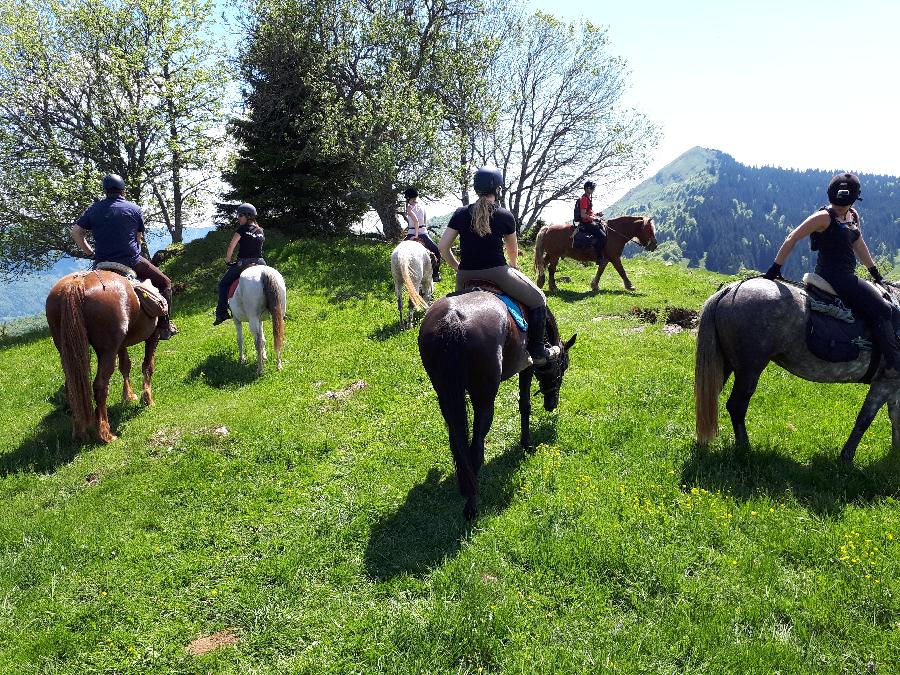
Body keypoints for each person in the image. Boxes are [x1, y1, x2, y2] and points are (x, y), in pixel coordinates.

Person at [764, 172, 900, 377]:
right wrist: (774, 270)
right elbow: (793, 237)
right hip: (835, 277)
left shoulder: (852, 215)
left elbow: (859, 244)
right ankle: (894, 362)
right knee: (883, 308)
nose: (841, 206)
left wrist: (875, 273)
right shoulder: (823, 217)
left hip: (847, 274)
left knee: (879, 301)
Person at [438, 166, 555, 365]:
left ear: (476, 188)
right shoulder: (505, 216)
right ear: (498, 189)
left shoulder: (460, 213)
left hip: (465, 276)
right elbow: (511, 251)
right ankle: (536, 350)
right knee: (539, 299)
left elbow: (442, 247)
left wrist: (458, 267)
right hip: (498, 273)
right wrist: (513, 266)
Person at [71, 174, 177, 339]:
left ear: (105, 191)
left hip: (102, 263)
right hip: (130, 261)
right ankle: (164, 326)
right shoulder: (134, 209)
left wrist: (90, 253)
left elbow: (76, 232)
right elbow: (138, 237)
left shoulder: (93, 209)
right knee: (165, 283)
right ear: (123, 190)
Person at [213, 203, 266, 325]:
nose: (238, 218)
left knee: (223, 284)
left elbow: (232, 245)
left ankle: (221, 313)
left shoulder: (242, 229)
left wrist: (228, 259)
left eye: (240, 215)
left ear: (248, 216)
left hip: (244, 262)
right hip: (260, 261)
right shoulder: (260, 230)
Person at [404, 187, 441, 282]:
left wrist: (416, 235)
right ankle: (436, 274)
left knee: (400, 252)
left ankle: (401, 274)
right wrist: (424, 233)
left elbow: (415, 221)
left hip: (413, 233)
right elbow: (424, 221)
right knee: (436, 251)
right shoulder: (422, 206)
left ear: (408, 197)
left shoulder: (409, 207)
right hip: (424, 233)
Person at [574, 180, 606, 263]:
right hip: (587, 223)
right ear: (586, 189)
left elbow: (588, 213)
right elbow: (583, 215)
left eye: (593, 188)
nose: (593, 189)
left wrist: (597, 214)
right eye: (591, 188)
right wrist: (593, 219)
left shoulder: (587, 198)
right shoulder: (584, 199)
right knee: (602, 236)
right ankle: (599, 257)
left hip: (589, 221)